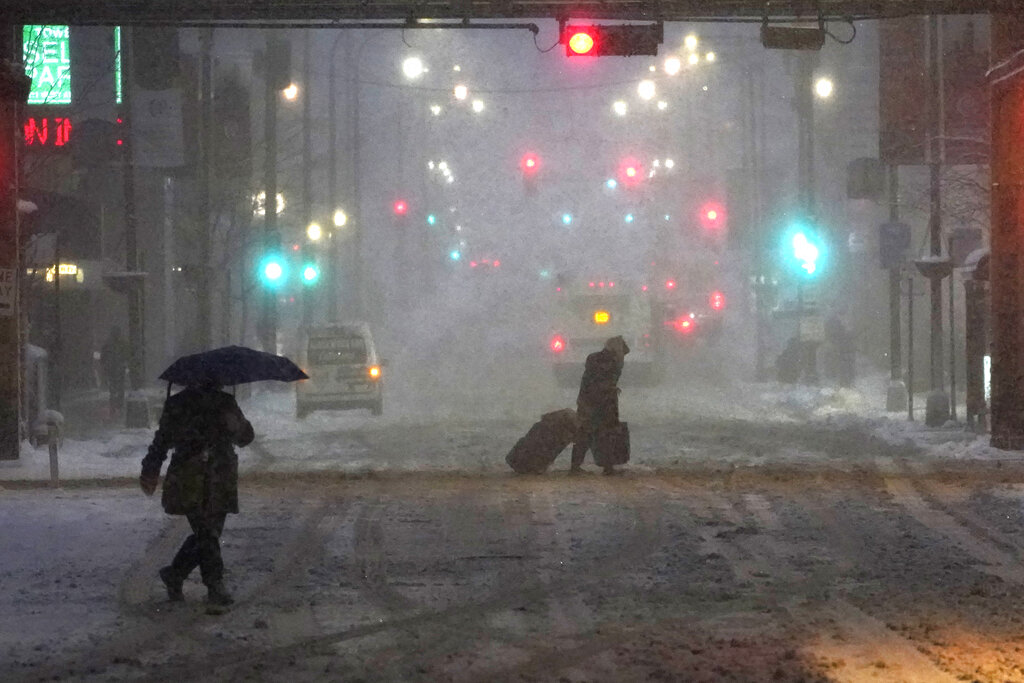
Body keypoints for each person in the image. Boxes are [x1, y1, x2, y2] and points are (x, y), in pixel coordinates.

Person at [140, 382, 254, 607]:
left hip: (210, 477)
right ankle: (214, 584)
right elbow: (163, 440)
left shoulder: (214, 403)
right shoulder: (209, 403)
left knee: (208, 533)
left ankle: (175, 573)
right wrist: (150, 468)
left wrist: (151, 468)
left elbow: (245, 437)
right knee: (207, 532)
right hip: (196, 477)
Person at [570, 335, 629, 475]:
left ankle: (576, 466)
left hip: (592, 401)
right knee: (603, 433)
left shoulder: (595, 358)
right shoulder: (607, 361)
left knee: (588, 433)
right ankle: (607, 467)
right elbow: (598, 380)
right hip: (598, 402)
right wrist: (609, 388)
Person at [100, 326, 129, 418]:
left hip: (112, 368)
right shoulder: (123, 343)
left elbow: (103, 357)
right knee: (120, 387)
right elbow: (127, 354)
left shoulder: (108, 344)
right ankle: (119, 405)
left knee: (113, 388)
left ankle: (113, 405)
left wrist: (105, 365)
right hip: (119, 368)